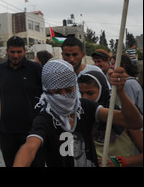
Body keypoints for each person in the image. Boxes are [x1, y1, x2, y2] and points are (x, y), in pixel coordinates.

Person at [13, 60, 143, 167]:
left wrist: (121, 91)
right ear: (47, 91)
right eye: (57, 91)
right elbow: (30, 147)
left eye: (69, 89)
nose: (64, 95)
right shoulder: (46, 119)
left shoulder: (85, 107)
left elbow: (134, 122)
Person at [78, 70, 143, 167]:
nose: (85, 98)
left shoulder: (123, 118)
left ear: (102, 90)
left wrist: (121, 162)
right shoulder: (80, 118)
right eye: (81, 93)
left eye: (90, 93)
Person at [0, 36, 45, 167]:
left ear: (24, 51)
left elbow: (47, 96)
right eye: (12, 52)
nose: (16, 55)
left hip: (32, 131)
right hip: (6, 132)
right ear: (7, 51)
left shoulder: (36, 69)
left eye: (19, 52)